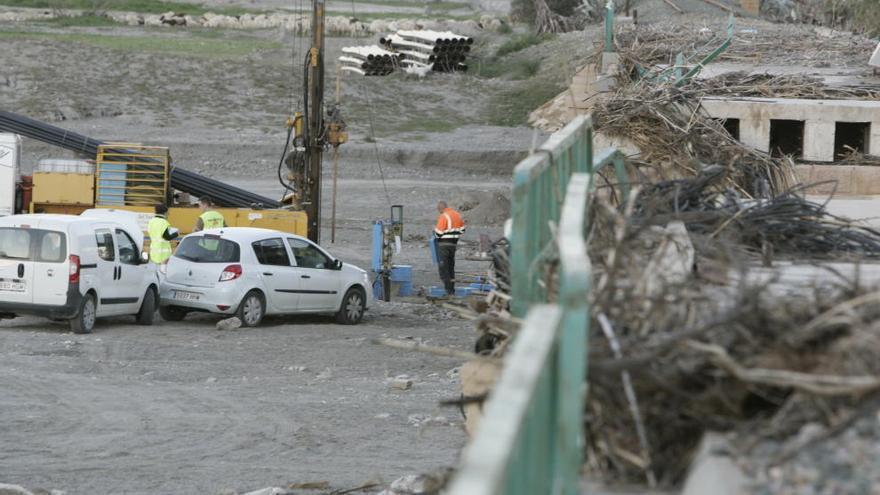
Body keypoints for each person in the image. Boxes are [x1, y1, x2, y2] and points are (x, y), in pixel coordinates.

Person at [433, 201, 465, 296]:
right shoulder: (457, 215)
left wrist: (434, 231)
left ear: (440, 209)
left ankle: (448, 290)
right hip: (453, 245)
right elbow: (462, 230)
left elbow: (438, 233)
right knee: (451, 267)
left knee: (444, 268)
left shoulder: (444, 216)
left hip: (443, 245)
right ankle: (452, 289)